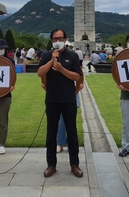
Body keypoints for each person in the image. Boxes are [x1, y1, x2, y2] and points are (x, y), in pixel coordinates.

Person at [38, 29, 83, 178]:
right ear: (52, 40)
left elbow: (77, 76)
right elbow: (40, 73)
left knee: (72, 132)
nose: (58, 40)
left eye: (61, 38)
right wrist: (52, 61)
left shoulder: (72, 55)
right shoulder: (46, 55)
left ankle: (74, 164)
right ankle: (51, 165)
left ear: (65, 39)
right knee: (51, 133)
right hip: (52, 99)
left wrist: (62, 69)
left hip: (68, 99)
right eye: (55, 38)